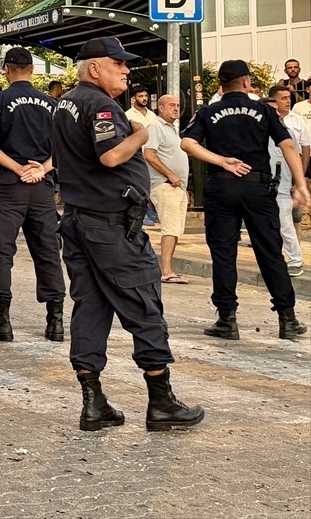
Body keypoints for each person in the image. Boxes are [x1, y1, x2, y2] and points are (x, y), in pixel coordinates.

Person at [52, 37, 203, 432]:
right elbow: (110, 156)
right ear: (94, 68)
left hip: (80, 221)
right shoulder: (101, 105)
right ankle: (162, 402)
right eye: (117, 63)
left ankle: (94, 403)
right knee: (144, 304)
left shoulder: (66, 102)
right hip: (111, 226)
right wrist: (140, 131)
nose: (125, 69)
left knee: (91, 306)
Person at [180, 61, 309, 340]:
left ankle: (227, 320)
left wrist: (221, 161)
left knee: (224, 254)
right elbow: (288, 145)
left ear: (221, 85)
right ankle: (287, 319)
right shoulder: (264, 109)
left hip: (221, 187)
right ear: (247, 82)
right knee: (270, 253)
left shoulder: (208, 111)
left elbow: (187, 143)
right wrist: (301, 184)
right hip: (257, 188)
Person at [0, 48, 65, 343]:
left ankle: (1, 321)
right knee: (48, 252)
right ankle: (56, 322)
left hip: (10, 186)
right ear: (32, 71)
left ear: (7, 70)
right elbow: (65, 147)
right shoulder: (51, 103)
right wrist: (41, 171)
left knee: (1, 253)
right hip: (42, 188)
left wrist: (17, 168)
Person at [142, 94, 191, 285]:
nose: (176, 108)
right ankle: (166, 271)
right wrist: (170, 175)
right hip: (165, 184)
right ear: (160, 108)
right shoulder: (155, 126)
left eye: (178, 105)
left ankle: (168, 269)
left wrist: (182, 186)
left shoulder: (172, 129)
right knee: (170, 228)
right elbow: (149, 154)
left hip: (176, 186)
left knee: (176, 229)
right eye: (171, 105)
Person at [267, 85, 309, 273]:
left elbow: (299, 154)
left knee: (285, 222)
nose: (287, 101)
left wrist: (298, 182)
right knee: (270, 224)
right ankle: (277, 258)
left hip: (282, 183)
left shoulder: (291, 127)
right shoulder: (260, 129)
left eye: (288, 97)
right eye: (282, 98)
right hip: (263, 183)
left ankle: (295, 260)